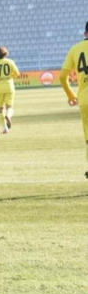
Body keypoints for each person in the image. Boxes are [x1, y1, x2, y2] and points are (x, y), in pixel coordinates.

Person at [59, 21, 88, 179]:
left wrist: (71, 95)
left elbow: (63, 77)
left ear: (85, 33)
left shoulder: (75, 49)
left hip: (85, 99)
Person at [0, 46, 20, 133]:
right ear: (5, 54)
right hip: (9, 86)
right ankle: (8, 115)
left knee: (0, 108)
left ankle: (5, 128)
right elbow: (17, 74)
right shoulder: (10, 62)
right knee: (9, 107)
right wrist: (10, 76)